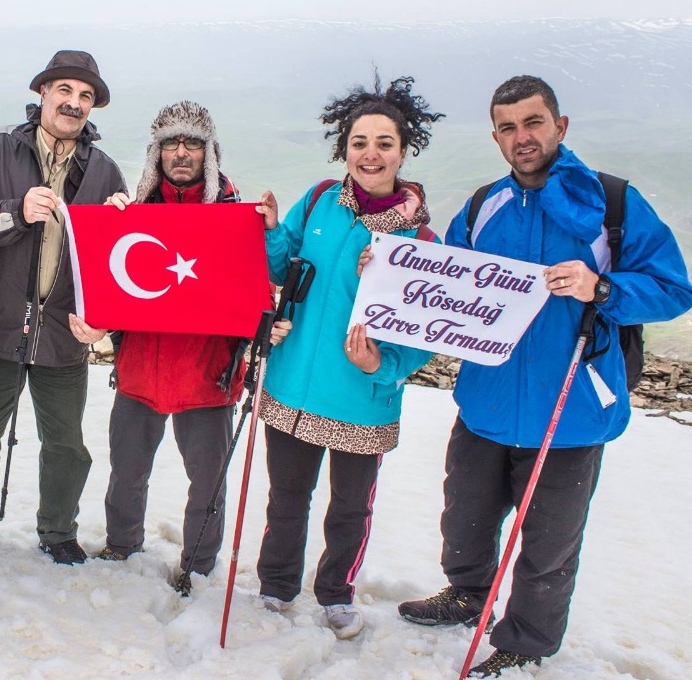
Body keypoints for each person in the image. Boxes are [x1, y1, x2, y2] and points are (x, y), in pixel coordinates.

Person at [397, 76, 692, 677]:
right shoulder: (483, 206)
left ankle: (526, 643)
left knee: (550, 542)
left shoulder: (613, 203)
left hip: (572, 407)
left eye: (532, 123)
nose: (521, 137)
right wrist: (393, 268)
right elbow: (447, 286)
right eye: (507, 127)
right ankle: (467, 593)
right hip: (487, 398)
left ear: (560, 126)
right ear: (495, 137)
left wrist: (602, 287)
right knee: (465, 516)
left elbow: (672, 289)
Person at [67, 100, 288, 589]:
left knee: (207, 484)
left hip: (207, 375)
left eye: (192, 143)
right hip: (141, 368)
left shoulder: (235, 217)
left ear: (208, 153)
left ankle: (199, 565)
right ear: (157, 152)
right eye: (171, 143)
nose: (181, 153)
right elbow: (110, 282)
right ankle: (121, 545)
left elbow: (260, 289)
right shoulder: (135, 213)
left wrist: (264, 324)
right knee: (127, 472)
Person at [253, 76, 442, 639]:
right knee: (286, 498)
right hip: (293, 385)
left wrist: (378, 366)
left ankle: (336, 592)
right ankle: (276, 586)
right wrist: (269, 231)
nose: (370, 153)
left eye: (383, 143)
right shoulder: (316, 202)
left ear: (402, 151)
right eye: (360, 142)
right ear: (345, 149)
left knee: (349, 510)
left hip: (363, 395)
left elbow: (425, 332)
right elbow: (283, 268)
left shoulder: (421, 240)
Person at [0, 50, 127, 564]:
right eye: (64, 90)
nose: (74, 103)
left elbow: (116, 262)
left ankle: (58, 530)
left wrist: (104, 318)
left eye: (85, 96)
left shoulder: (106, 172)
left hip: (65, 333)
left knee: (66, 444)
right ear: (42, 93)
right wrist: (15, 212)